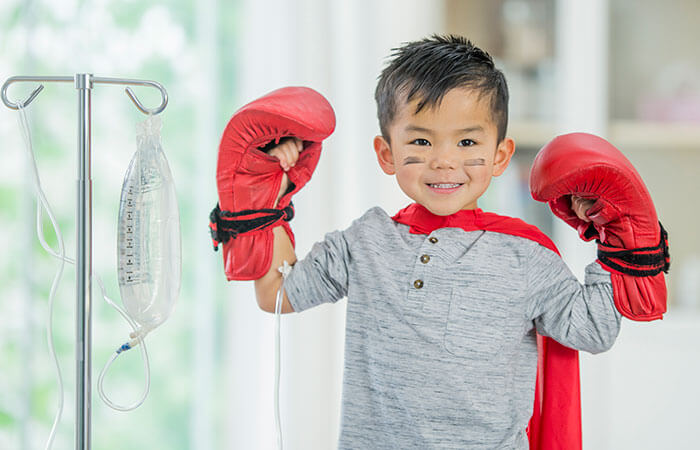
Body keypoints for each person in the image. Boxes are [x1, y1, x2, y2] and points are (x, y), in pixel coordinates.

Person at [253, 35, 622, 449]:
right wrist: (267, 192)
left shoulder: (525, 255)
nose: (444, 160)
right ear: (386, 152)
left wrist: (619, 233)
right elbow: (277, 293)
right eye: (421, 141)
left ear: (500, 155)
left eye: (467, 142)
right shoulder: (365, 241)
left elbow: (594, 330)